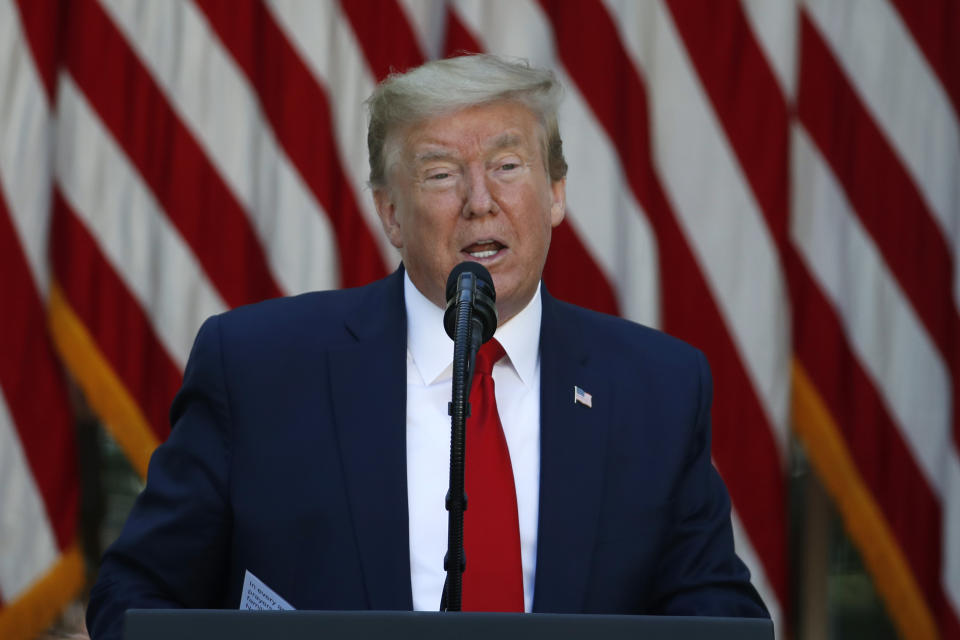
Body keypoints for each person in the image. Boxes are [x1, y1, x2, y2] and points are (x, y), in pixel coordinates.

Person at [86, 54, 767, 639]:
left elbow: (716, 617)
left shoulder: (656, 387)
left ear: (556, 192)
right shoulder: (259, 368)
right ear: (390, 212)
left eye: (507, 164)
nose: (480, 201)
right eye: (440, 173)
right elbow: (136, 597)